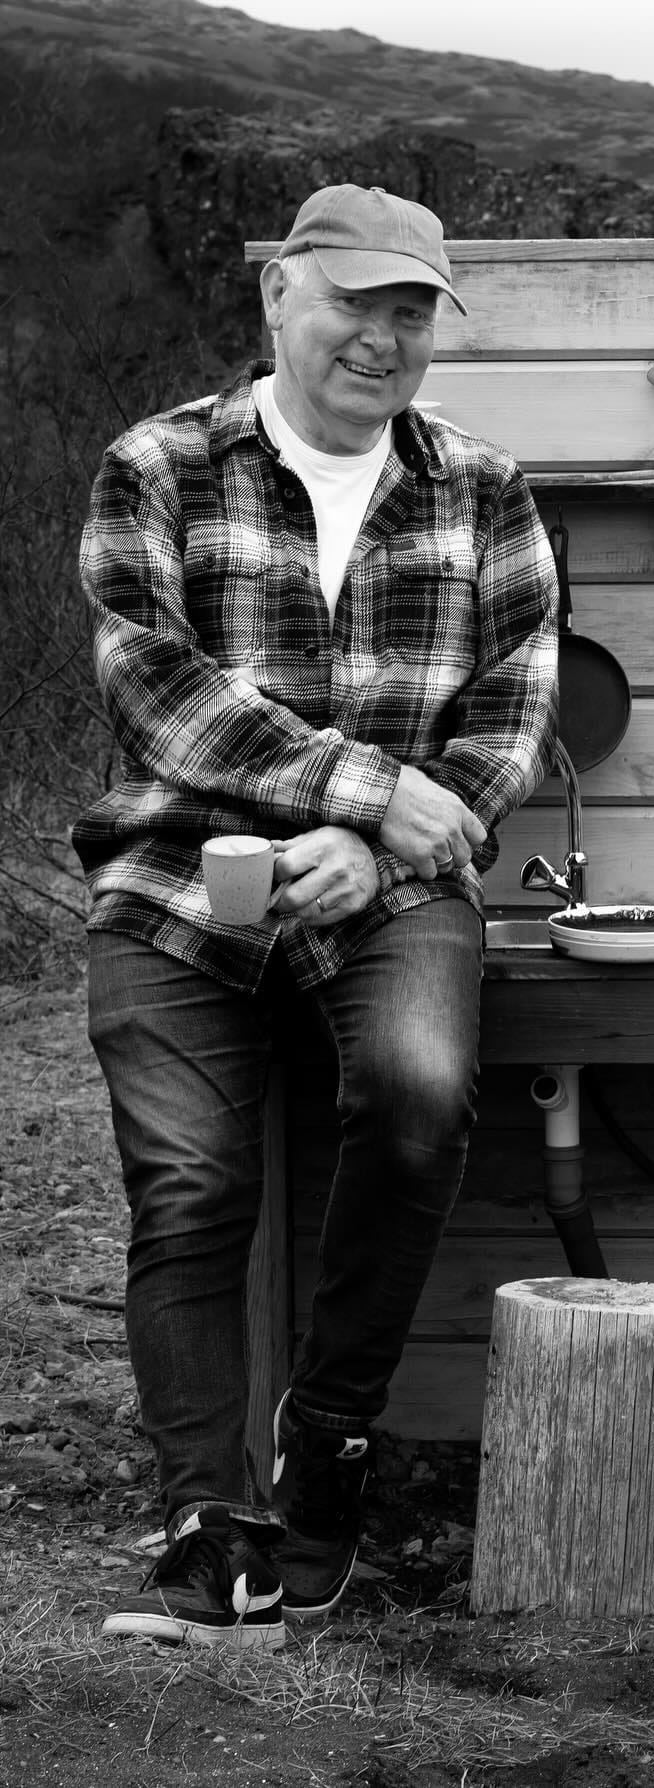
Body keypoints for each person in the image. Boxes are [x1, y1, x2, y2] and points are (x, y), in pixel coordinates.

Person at [73, 184, 558, 1649]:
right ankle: (208, 1521)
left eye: (412, 312)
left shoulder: (484, 490)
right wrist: (361, 791)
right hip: (179, 874)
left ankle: (328, 1447)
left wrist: (389, 836)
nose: (382, 337)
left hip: (391, 884)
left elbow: (516, 705)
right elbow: (154, 687)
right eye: (356, 302)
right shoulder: (158, 464)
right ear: (281, 292)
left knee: (418, 1090)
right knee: (191, 1183)